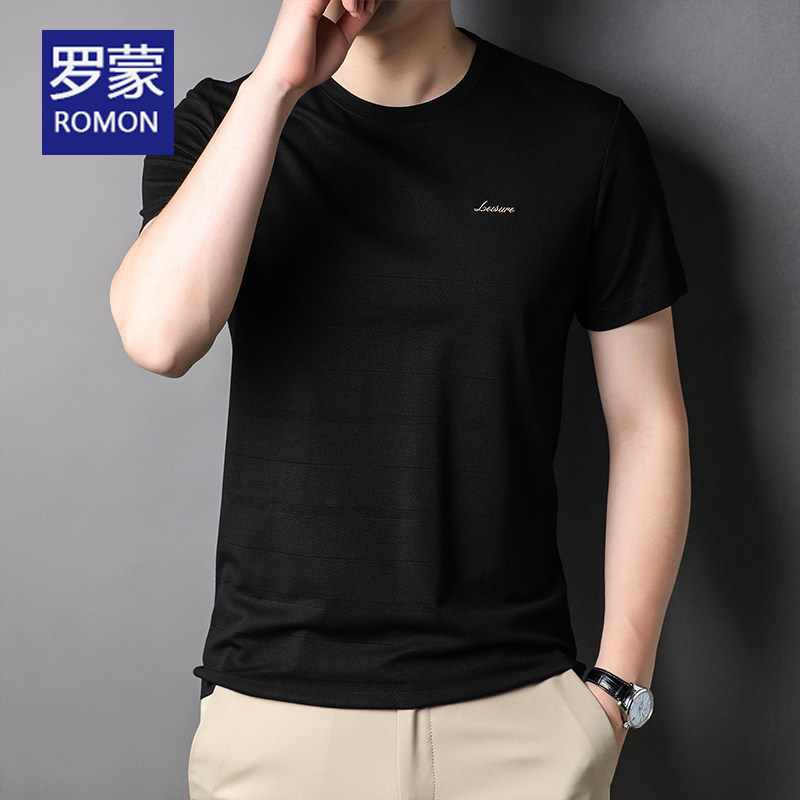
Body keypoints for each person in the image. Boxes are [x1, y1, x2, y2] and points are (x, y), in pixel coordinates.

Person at [109, 0, 691, 797]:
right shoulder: (218, 120)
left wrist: (620, 690)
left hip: (520, 718)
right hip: (279, 717)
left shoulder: (584, 134)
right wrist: (277, 86)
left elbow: (647, 420)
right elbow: (159, 338)